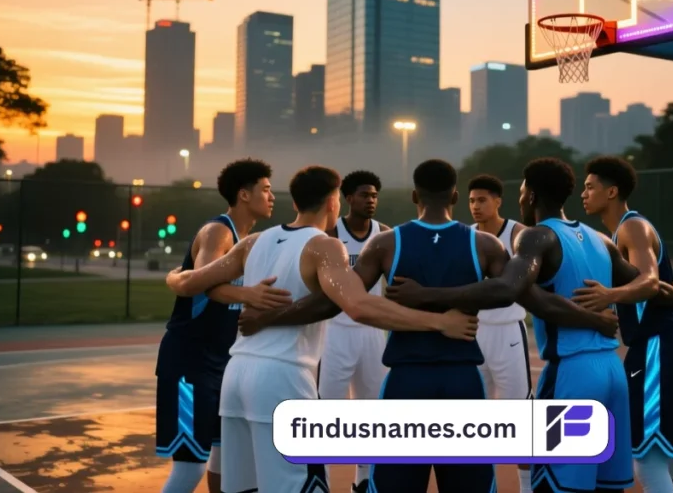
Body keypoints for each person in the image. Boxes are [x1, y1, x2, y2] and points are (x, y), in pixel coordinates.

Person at [165, 165, 479, 493]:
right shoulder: (323, 246)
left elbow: (189, 283)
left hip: (237, 375)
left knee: (244, 489)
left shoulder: (256, 242)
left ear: (295, 203)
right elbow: (359, 306)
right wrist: (440, 322)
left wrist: (175, 274)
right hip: (282, 379)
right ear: (333, 202)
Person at [385, 158, 650, 493]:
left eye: (522, 192)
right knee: (607, 487)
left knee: (557, 485)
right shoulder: (600, 239)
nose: (520, 199)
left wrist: (424, 294)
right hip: (612, 370)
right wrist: (667, 289)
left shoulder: (537, 237)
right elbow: (647, 283)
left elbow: (507, 288)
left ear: (532, 196)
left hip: (573, 373)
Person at [155, 158, 292, 493]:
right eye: (266, 189)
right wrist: (252, 295)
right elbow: (203, 281)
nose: (272, 196)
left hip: (224, 364)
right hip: (190, 364)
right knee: (190, 469)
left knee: (227, 459)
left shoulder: (253, 241)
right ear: (244, 195)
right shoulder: (218, 231)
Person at [578, 155, 673, 493]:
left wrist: (607, 295)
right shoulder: (618, 233)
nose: (583, 194)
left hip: (657, 348)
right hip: (661, 345)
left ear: (612, 192)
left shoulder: (632, 227)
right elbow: (659, 286)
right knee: (670, 455)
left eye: (590, 188)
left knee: (646, 458)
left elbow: (648, 281)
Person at [322, 170, 390, 493]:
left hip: (372, 332)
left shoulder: (384, 235)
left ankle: (364, 481)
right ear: (348, 198)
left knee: (372, 409)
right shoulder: (330, 233)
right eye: (365, 195)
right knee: (327, 409)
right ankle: (317, 476)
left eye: (375, 195)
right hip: (335, 331)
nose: (371, 200)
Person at [467, 174, 534, 493]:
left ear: (497, 201)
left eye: (482, 200)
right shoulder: (464, 237)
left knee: (520, 417)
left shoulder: (518, 234)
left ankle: (526, 487)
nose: (475, 206)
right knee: (474, 420)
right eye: (471, 200)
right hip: (472, 333)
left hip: (507, 332)